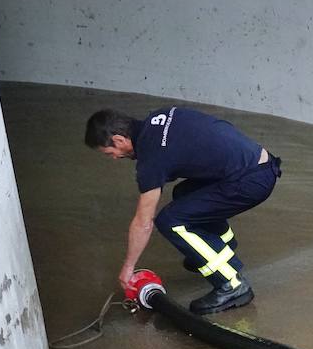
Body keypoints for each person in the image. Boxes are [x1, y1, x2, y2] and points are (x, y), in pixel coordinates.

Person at [84, 106, 283, 314]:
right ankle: (223, 243)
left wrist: (128, 267)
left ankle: (232, 285)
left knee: (170, 220)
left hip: (251, 181)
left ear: (119, 140)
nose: (115, 157)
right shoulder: (159, 118)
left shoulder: (152, 156)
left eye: (110, 153)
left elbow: (143, 222)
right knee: (184, 193)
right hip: (258, 164)